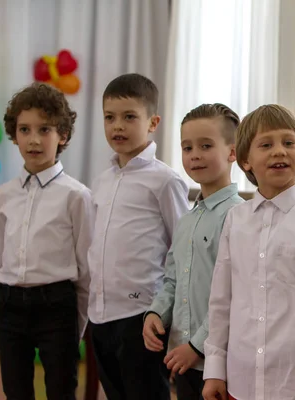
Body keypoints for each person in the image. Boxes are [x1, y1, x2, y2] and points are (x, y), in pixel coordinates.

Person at [202, 104, 295, 400]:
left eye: (288, 143)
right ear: (245, 161)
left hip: (294, 379)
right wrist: (215, 367)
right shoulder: (236, 219)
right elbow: (221, 299)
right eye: (266, 144)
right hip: (240, 378)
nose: (279, 151)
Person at [87, 73, 189, 400]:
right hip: (101, 313)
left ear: (153, 122)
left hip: (142, 316)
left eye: (129, 117)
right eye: (110, 117)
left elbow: (182, 247)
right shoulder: (101, 181)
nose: (118, 126)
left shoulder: (165, 180)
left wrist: (169, 311)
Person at [0, 82, 93, 400]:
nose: (33, 139)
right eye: (24, 129)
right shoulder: (3, 195)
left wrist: (76, 323)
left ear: (62, 135)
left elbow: (86, 265)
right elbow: (2, 253)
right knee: (15, 390)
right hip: (10, 305)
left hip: (57, 307)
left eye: (44, 129)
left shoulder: (76, 195)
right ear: (14, 135)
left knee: (61, 389)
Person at [143, 103, 244, 400]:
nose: (194, 155)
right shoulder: (186, 220)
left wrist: (198, 346)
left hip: (219, 364)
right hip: (181, 358)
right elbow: (172, 279)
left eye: (205, 145)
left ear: (232, 152)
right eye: (187, 147)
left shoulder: (239, 217)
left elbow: (236, 295)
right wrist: (156, 313)